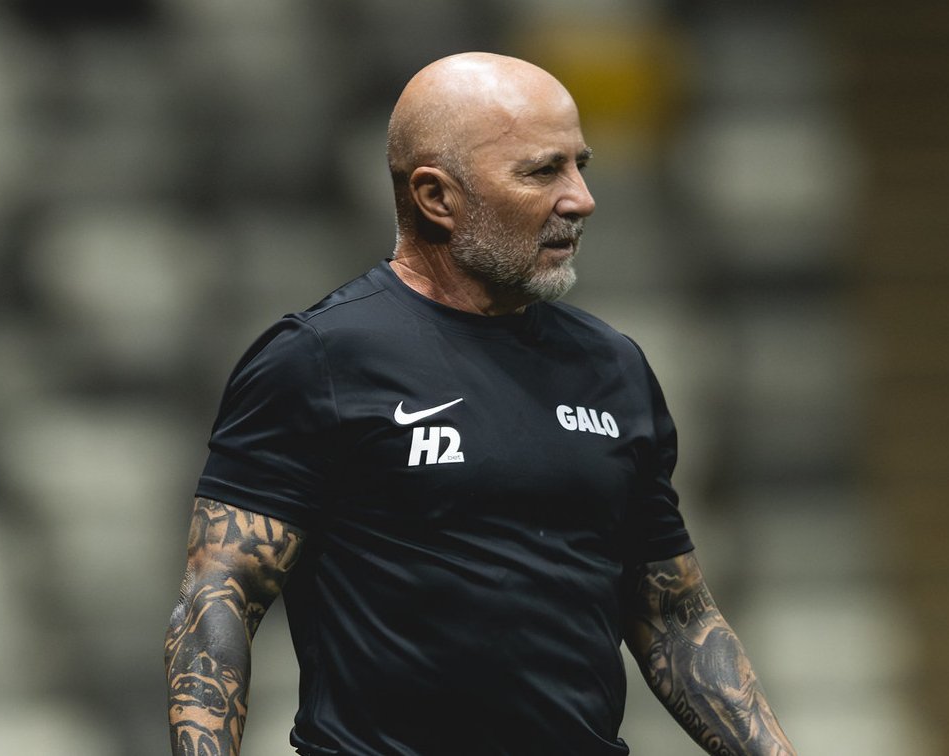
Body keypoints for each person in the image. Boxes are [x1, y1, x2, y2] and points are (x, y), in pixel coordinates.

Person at [165, 52, 796, 756]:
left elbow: (674, 616)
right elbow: (218, 597)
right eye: (542, 171)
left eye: (578, 164)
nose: (581, 198)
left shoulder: (612, 367)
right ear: (436, 197)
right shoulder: (319, 359)